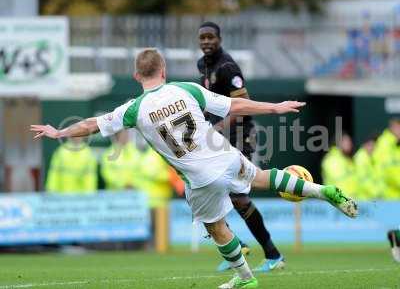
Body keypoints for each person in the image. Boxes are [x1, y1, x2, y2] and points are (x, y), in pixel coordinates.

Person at [31, 48, 357, 289]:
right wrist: (274, 106)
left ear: (136, 76)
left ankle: (245, 278)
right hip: (224, 155)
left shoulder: (134, 109)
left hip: (199, 178)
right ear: (163, 69)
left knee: (216, 228)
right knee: (262, 178)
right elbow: (235, 105)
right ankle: (321, 190)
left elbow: (90, 125)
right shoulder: (186, 89)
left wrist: (59, 132)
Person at [197, 21, 283, 273]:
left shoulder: (227, 67)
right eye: (202, 38)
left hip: (240, 135)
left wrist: (216, 128)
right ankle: (240, 244)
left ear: (220, 39)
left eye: (210, 37)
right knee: (205, 187)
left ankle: (273, 255)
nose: (206, 42)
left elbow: (243, 103)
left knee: (238, 197)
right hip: (218, 137)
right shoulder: (203, 65)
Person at [321, 133, 357, 198]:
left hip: (350, 201)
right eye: (345, 141)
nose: (349, 144)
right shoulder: (332, 159)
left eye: (349, 141)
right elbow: (339, 182)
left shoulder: (347, 159)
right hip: (337, 202)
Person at [373, 119, 400, 199]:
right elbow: (388, 169)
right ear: (393, 128)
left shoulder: (395, 144)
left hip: (395, 194)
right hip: (387, 194)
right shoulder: (384, 143)